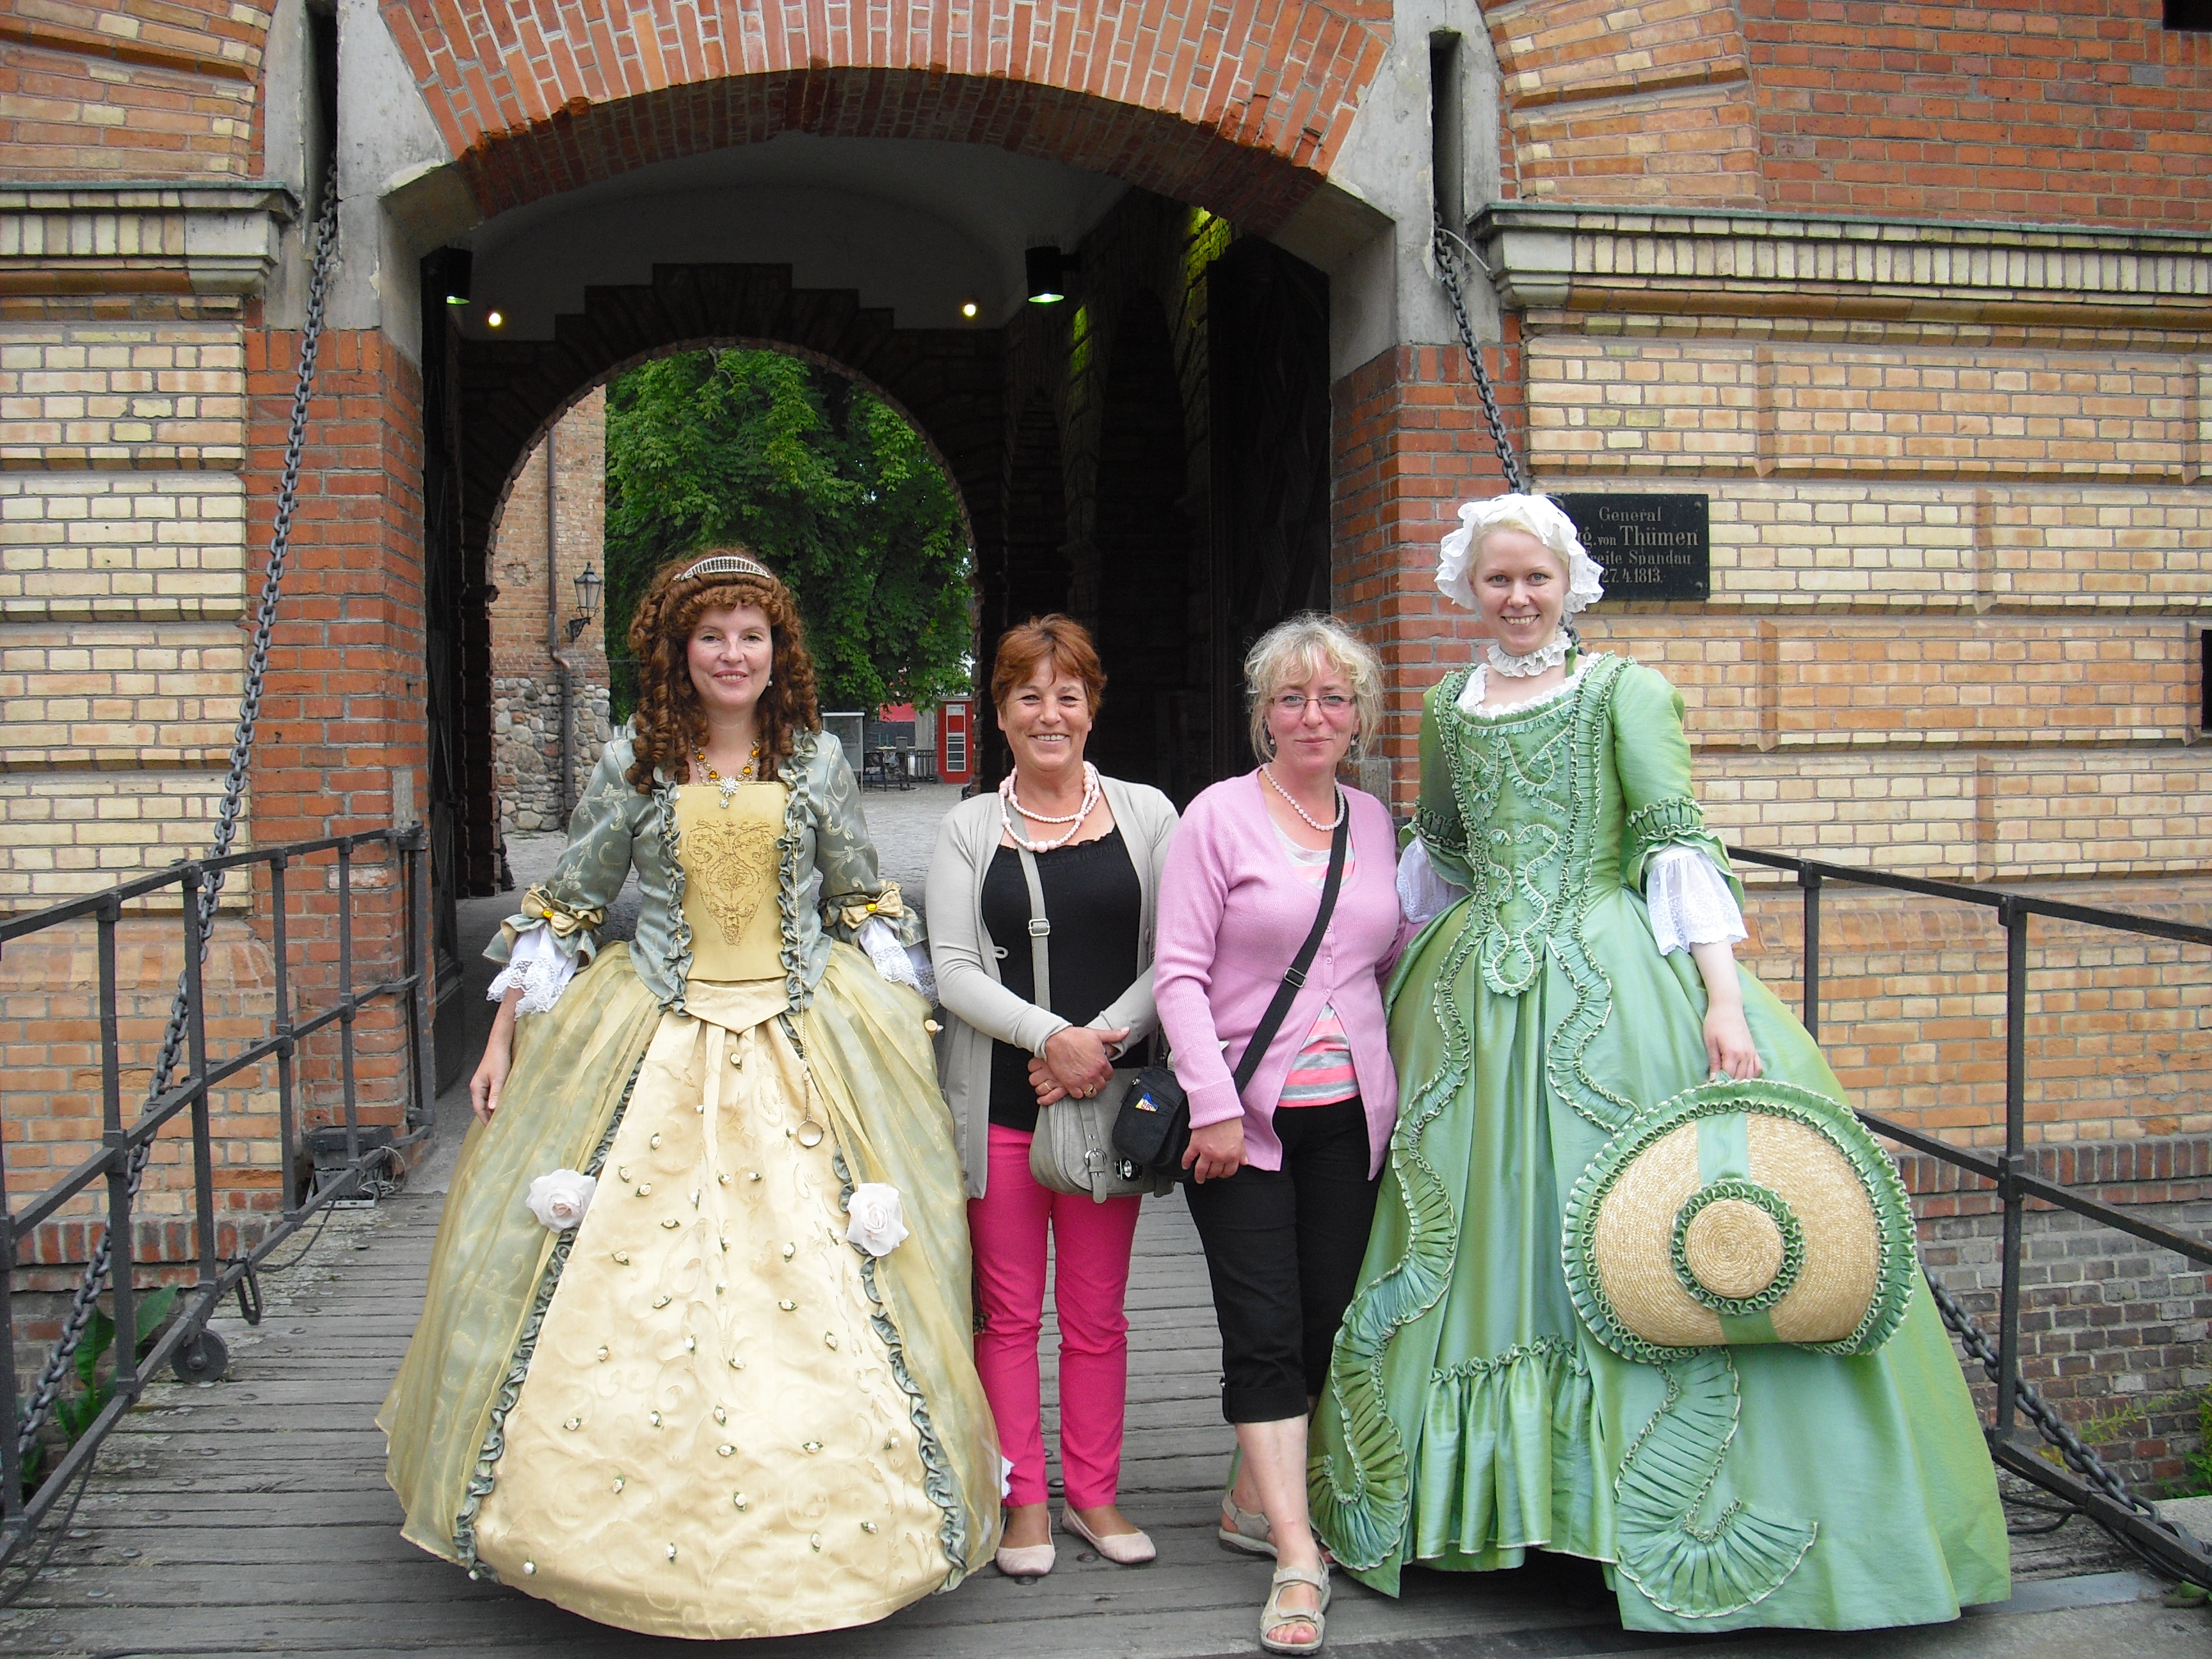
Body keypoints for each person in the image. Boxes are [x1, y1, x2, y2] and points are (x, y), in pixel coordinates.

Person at [1308, 494, 2010, 1632]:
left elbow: (1675, 842)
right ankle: (1511, 1509)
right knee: (1484, 1243)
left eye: (1536, 578)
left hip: (1612, 984)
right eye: (1498, 581)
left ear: (1569, 582)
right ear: (1468, 591)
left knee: (1640, 1226)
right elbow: (1435, 859)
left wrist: (1723, 1002)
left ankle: (1646, 1519)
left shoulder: (1625, 693)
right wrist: (1364, 985)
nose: (1518, 598)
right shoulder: (1448, 707)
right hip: (1475, 1006)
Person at [379, 552, 1002, 1639]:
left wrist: (907, 1013)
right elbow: (571, 900)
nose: (732, 654)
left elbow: (858, 895)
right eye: (711, 636)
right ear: (680, 650)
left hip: (801, 1030)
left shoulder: (814, 764)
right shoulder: (637, 759)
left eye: (751, 635)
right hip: (658, 1026)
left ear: (777, 652)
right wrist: (500, 1032)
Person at [1152, 614, 1408, 1656]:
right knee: (1262, 1331)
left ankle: (1249, 1495)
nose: (1315, 715)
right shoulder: (1218, 818)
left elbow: (1379, 963)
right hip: (1240, 1125)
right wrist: (1210, 1102)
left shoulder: (1377, 821)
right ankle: (1297, 1554)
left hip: (1350, 1118)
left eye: (1334, 698)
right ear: (1263, 715)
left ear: (1360, 716)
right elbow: (1178, 974)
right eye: (1293, 698)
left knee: (1325, 1320)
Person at [927, 616, 1181, 1578]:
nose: (1050, 713)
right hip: (997, 1098)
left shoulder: (1152, 814)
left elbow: (1177, 953)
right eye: (1029, 696)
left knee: (1096, 1312)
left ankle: (1096, 1495)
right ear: (1001, 714)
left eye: (1067, 695)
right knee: (1007, 1313)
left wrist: (1098, 1045)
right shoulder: (967, 828)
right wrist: (1052, 1040)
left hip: (1106, 1108)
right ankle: (1021, 1498)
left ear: (1091, 706)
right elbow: (952, 970)